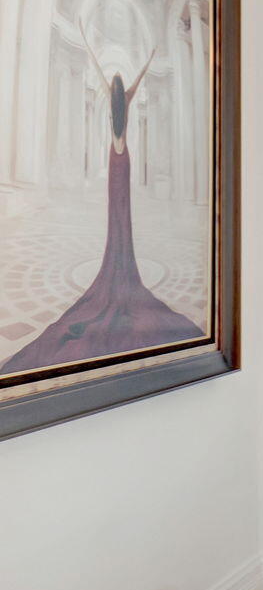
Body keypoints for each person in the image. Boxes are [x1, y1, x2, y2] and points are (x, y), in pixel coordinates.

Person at [2, 45, 202, 373]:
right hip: (121, 159)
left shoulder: (114, 100)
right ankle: (120, 250)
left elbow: (100, 70)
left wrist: (138, 55)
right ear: (123, 92)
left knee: (117, 210)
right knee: (119, 211)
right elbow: (118, 75)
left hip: (116, 159)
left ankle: (118, 249)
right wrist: (147, 56)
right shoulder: (121, 98)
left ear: (114, 91)